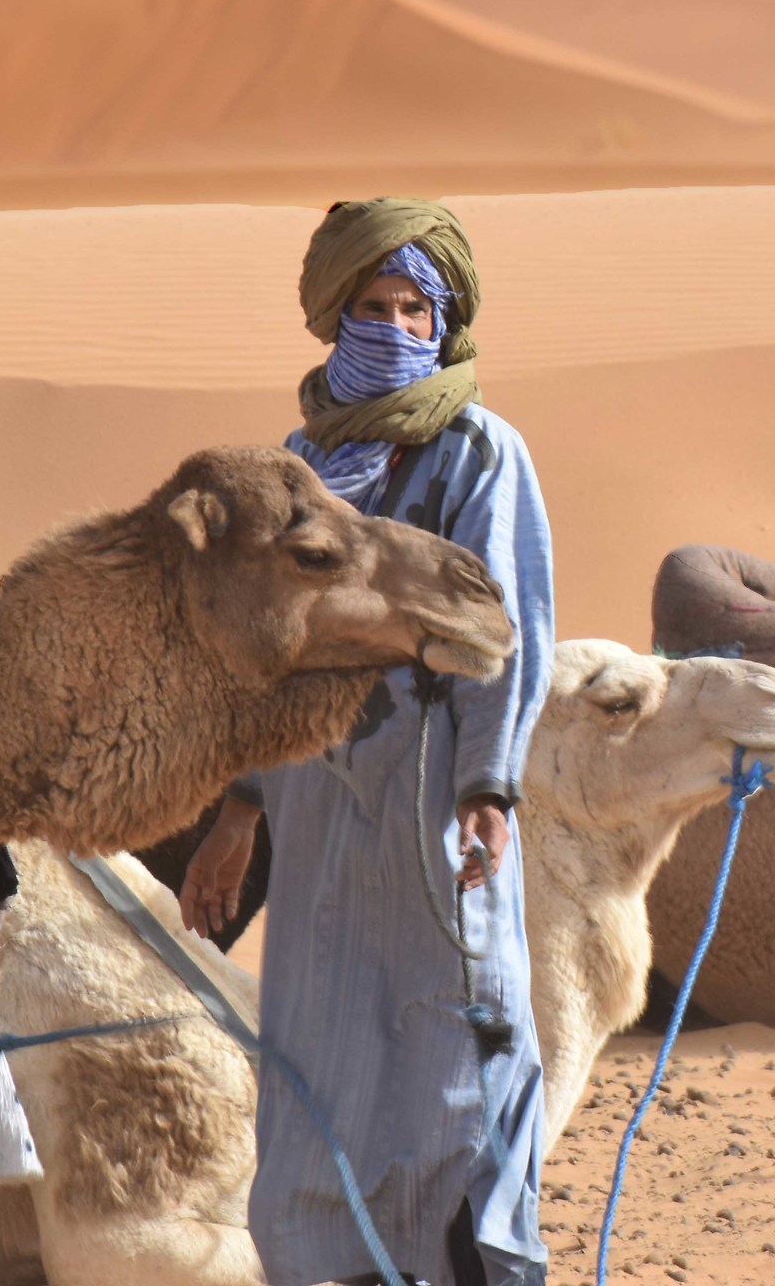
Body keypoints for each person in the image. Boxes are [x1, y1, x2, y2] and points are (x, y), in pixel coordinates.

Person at [180, 197, 553, 1286]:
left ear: (446, 323)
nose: (395, 327)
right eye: (373, 307)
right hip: (319, 821)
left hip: (438, 809)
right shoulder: (296, 468)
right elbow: (266, 651)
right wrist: (237, 814)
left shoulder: (482, 452)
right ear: (333, 319)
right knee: (318, 1086)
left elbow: (506, 632)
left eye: (413, 308)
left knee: (454, 1084)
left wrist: (490, 786)